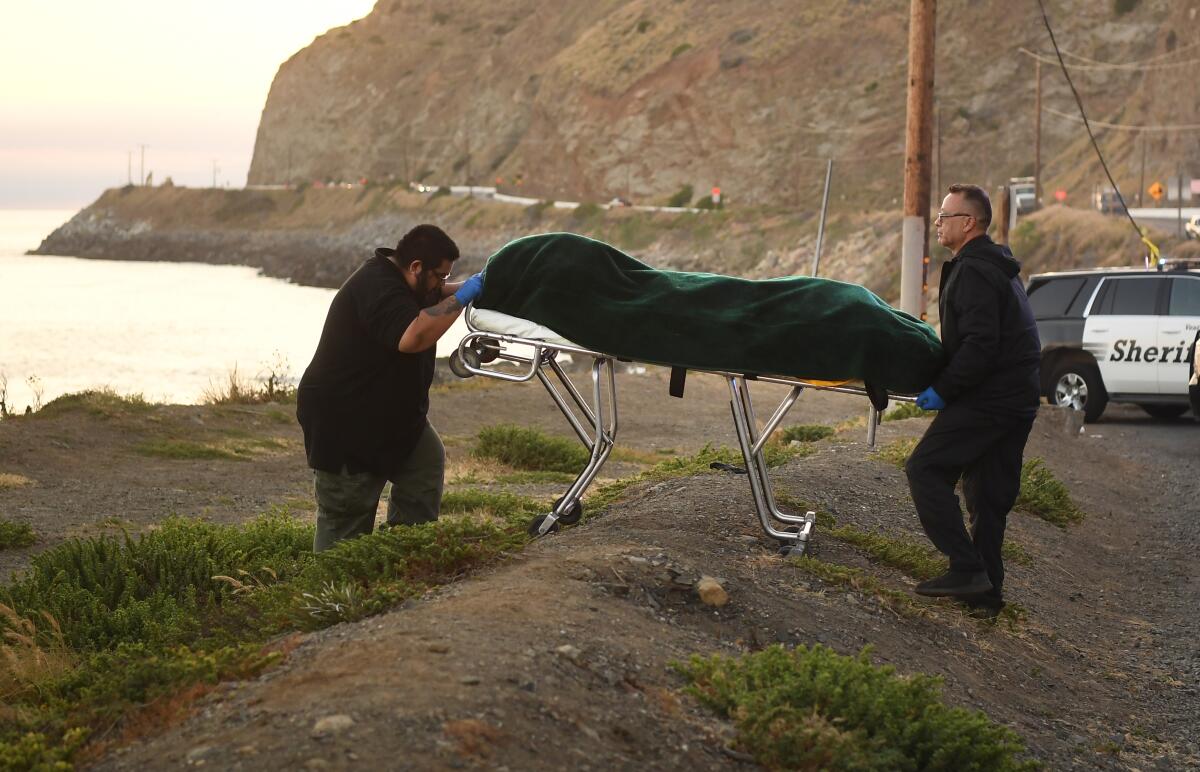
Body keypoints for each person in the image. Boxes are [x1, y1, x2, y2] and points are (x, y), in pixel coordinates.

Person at [296, 224, 484, 552]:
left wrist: (472, 287)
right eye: (440, 276)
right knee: (347, 520)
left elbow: (433, 294)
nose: (442, 284)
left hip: (392, 420)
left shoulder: (404, 281)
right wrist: (463, 297)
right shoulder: (376, 286)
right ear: (415, 267)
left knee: (425, 466)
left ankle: (402, 561)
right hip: (345, 425)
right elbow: (414, 337)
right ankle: (331, 599)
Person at [904, 184, 1041, 612]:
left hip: (992, 399)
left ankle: (965, 567)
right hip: (1016, 398)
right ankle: (986, 593)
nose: (939, 222)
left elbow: (981, 345)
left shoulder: (975, 271)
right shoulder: (996, 268)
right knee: (986, 494)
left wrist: (942, 391)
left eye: (945, 215)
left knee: (925, 468)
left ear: (968, 224)